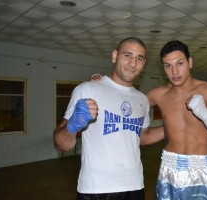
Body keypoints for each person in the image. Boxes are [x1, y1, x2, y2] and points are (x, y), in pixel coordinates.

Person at [53, 37, 163, 200]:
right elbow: (60, 144)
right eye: (127, 55)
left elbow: (142, 137)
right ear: (114, 56)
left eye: (139, 58)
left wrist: (172, 126)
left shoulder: (142, 100)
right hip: (96, 188)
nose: (133, 63)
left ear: (143, 64)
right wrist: (72, 127)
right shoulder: (88, 89)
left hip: (134, 186)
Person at [144, 40, 207, 200]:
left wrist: (206, 115)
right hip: (168, 170)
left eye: (180, 63)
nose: (174, 71)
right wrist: (104, 87)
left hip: (201, 173)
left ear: (190, 62)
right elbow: (127, 104)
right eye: (168, 66)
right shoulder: (158, 94)